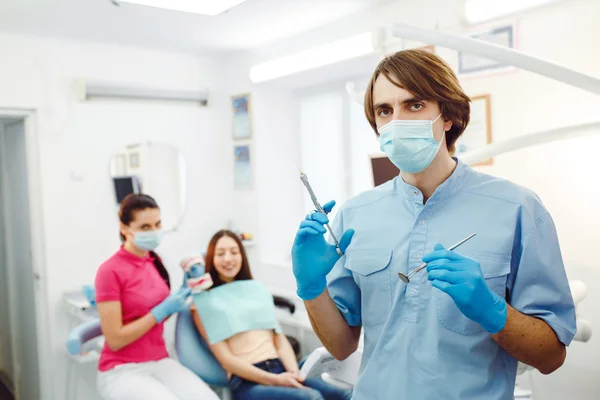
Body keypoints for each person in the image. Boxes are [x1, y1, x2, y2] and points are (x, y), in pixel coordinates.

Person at [290, 49, 577, 399]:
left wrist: (492, 310)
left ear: (448, 116)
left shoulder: (517, 209)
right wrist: (311, 286)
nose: (397, 121)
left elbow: (551, 357)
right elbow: (341, 346)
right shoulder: (356, 215)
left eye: (414, 105)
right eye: (385, 110)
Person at [190, 230, 353, 400]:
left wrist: (293, 373)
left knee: (344, 395)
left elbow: (278, 338)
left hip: (280, 368)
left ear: (242, 256)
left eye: (234, 251)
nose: (228, 259)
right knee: (310, 398)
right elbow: (226, 359)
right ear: (211, 258)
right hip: (247, 383)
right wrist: (275, 380)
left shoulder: (257, 289)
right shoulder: (203, 302)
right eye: (220, 253)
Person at [94, 194, 218, 400]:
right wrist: (161, 311)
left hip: (160, 362)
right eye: (145, 227)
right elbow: (115, 339)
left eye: (157, 224)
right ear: (124, 229)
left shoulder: (154, 261)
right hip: (122, 370)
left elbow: (157, 315)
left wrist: (179, 297)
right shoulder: (110, 271)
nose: (154, 231)